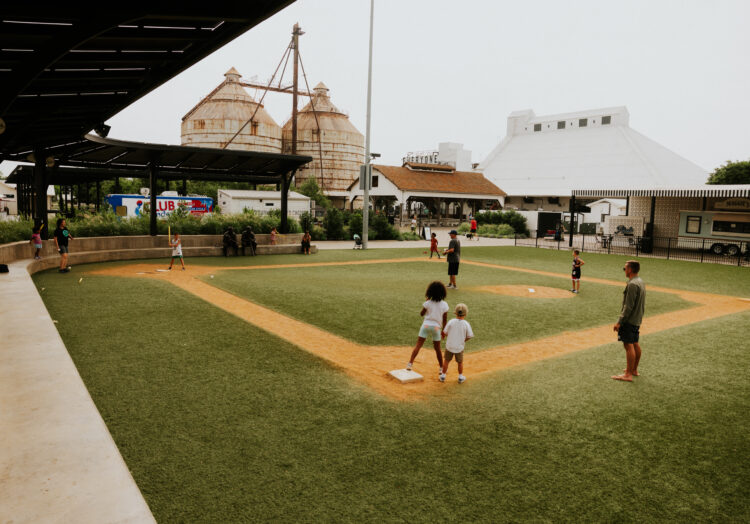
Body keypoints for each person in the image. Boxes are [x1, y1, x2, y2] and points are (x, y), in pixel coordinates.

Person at [612, 260, 646, 382]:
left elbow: (628, 306)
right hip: (637, 318)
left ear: (630, 270)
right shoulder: (640, 281)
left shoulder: (632, 284)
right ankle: (633, 370)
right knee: (635, 343)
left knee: (628, 345)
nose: (624, 270)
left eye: (625, 268)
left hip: (630, 320)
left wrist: (619, 322)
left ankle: (628, 375)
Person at [406, 281, 448, 373]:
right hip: (436, 328)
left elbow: (421, 314)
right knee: (437, 349)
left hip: (426, 325)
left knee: (418, 345)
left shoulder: (428, 303)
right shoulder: (444, 304)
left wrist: (426, 302)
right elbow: (445, 320)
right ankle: (441, 368)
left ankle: (410, 364)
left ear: (430, 292)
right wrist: (444, 331)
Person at [440, 303, 474, 384]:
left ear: (455, 312)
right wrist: (463, 340)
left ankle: (443, 376)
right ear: (465, 314)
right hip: (459, 347)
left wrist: (450, 336)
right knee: (460, 362)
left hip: (449, 346)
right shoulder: (466, 324)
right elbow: (469, 336)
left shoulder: (451, 321)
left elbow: (444, 332)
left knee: (446, 361)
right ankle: (460, 377)